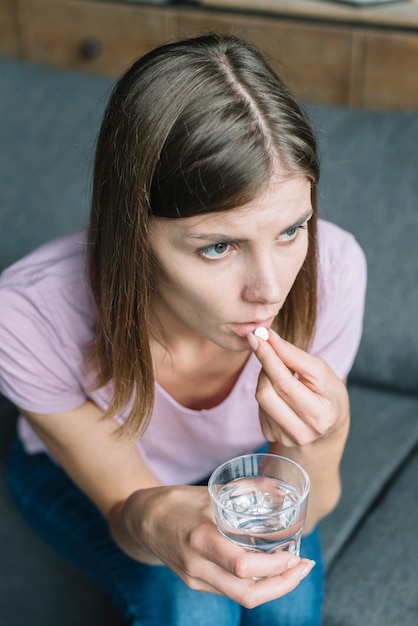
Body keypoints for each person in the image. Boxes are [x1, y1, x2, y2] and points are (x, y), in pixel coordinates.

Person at [0, 33, 366, 626]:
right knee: (186, 601)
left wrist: (324, 438)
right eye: (218, 246)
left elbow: (313, 504)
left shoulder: (336, 269)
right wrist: (155, 516)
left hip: (244, 466)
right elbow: (125, 508)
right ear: (132, 231)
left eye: (291, 230)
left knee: (286, 607)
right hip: (81, 479)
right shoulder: (26, 316)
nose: (270, 289)